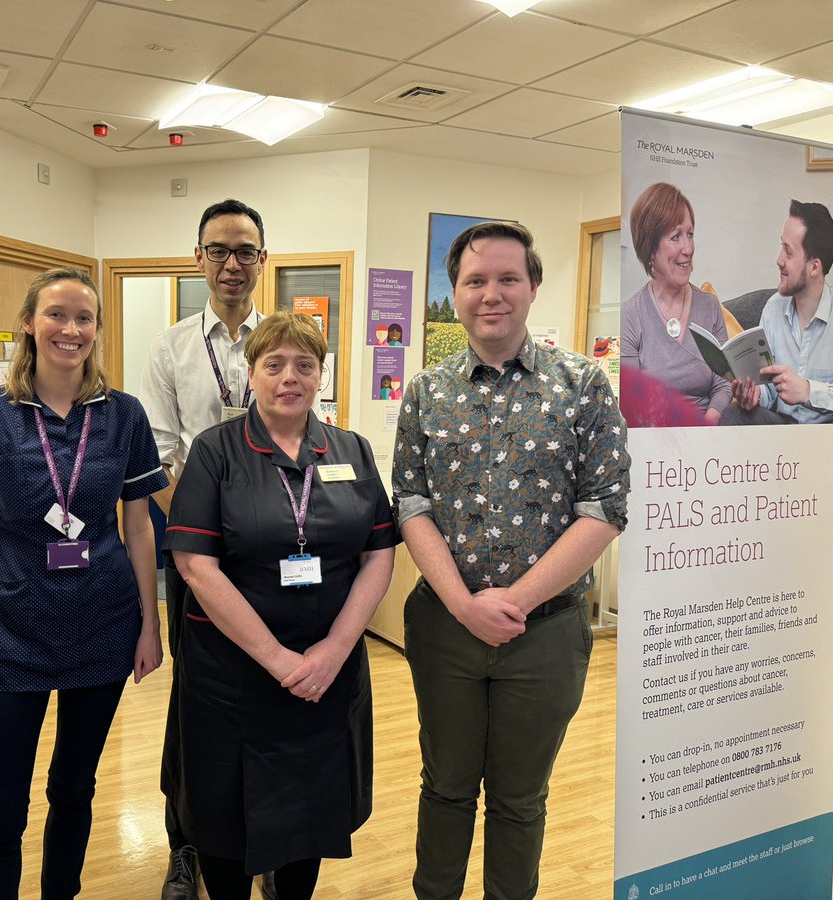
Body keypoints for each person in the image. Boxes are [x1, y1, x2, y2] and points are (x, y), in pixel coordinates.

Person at [392, 221, 629, 900]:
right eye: (474, 281)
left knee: (521, 799)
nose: (490, 294)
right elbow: (411, 501)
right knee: (445, 787)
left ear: (533, 287)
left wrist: (515, 601)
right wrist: (466, 605)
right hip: (445, 627)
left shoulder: (581, 384)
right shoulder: (427, 393)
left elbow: (606, 506)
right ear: (455, 292)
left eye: (507, 279)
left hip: (546, 634)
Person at [0, 268, 168, 899]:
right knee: (2, 807)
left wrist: (151, 626)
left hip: (103, 622)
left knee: (75, 788)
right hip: (11, 625)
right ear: (29, 323)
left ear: (97, 330)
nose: (71, 330)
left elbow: (142, 528)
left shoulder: (124, 415)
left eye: (84, 319)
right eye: (57, 315)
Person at [163, 311, 397, 900]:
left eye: (304, 365)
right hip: (232, 676)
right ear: (252, 373)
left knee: (308, 809)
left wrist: (334, 651)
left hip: (326, 673)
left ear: (321, 374)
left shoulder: (352, 450)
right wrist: (276, 659)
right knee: (222, 815)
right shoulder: (216, 452)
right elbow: (195, 564)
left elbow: (378, 555)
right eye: (273, 364)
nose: (288, 377)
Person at [140, 198, 270, 900]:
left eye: (245, 250)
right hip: (197, 558)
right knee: (197, 703)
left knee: (272, 694)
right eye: (218, 250)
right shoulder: (170, 347)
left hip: (274, 560)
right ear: (198, 259)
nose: (231, 263)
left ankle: (270, 840)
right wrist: (201, 543)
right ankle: (186, 846)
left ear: (262, 260)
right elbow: (161, 460)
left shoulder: (286, 337)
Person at [724, 199, 833, 424]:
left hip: (831, 433)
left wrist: (809, 391)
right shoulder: (773, 308)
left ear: (814, 267)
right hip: (782, 428)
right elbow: (768, 389)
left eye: (788, 252)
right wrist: (754, 395)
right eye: (782, 246)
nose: (779, 260)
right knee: (734, 414)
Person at [622, 182, 730, 424]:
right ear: (650, 249)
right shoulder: (630, 314)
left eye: (690, 234)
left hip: (709, 433)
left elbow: (724, 383)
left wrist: (708, 422)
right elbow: (631, 401)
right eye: (675, 237)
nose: (688, 248)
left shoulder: (710, 306)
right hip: (655, 439)